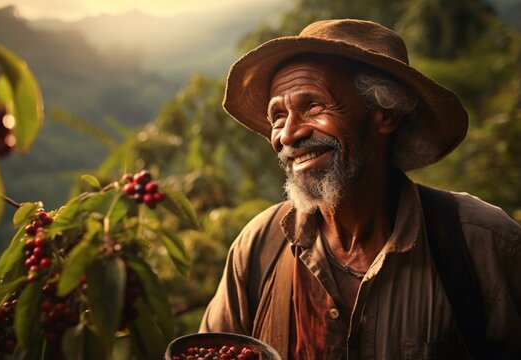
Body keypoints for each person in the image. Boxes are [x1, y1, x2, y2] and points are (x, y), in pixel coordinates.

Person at [199, 19, 521, 359]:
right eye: (278, 116)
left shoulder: (481, 241)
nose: (289, 135)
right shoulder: (258, 248)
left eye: (313, 106)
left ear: (385, 114)